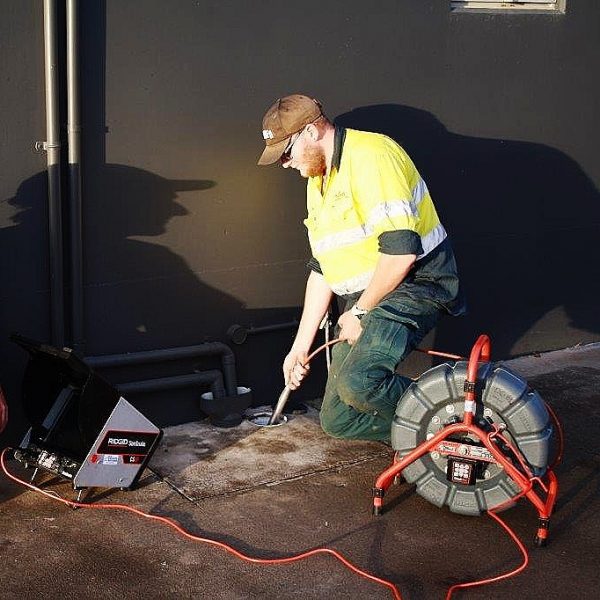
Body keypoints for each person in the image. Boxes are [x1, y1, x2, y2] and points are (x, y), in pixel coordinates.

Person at [258, 94, 465, 442]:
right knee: (339, 418)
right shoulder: (318, 180)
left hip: (417, 284)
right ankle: (431, 440)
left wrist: (360, 310)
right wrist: (299, 349)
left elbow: (401, 255)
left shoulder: (372, 156)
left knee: (359, 383)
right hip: (369, 297)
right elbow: (322, 270)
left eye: (285, 152)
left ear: (310, 131)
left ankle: (460, 427)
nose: (283, 163)